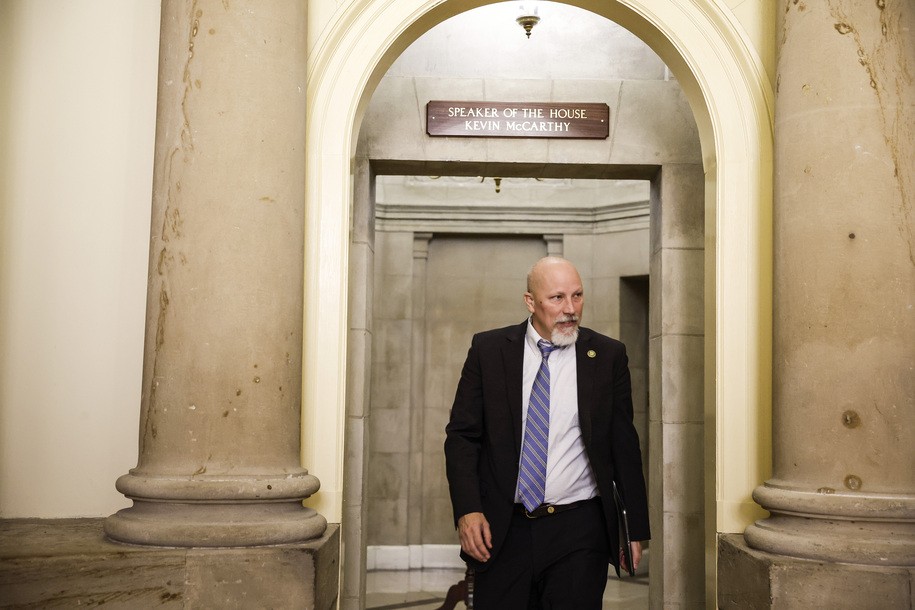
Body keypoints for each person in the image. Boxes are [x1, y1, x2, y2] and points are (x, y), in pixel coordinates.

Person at [444, 256, 650, 609]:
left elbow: (623, 445)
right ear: (530, 302)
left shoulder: (607, 355)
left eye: (577, 295)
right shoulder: (489, 351)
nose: (570, 309)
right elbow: (462, 436)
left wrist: (635, 529)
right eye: (557, 298)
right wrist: (468, 510)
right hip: (503, 530)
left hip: (579, 529)